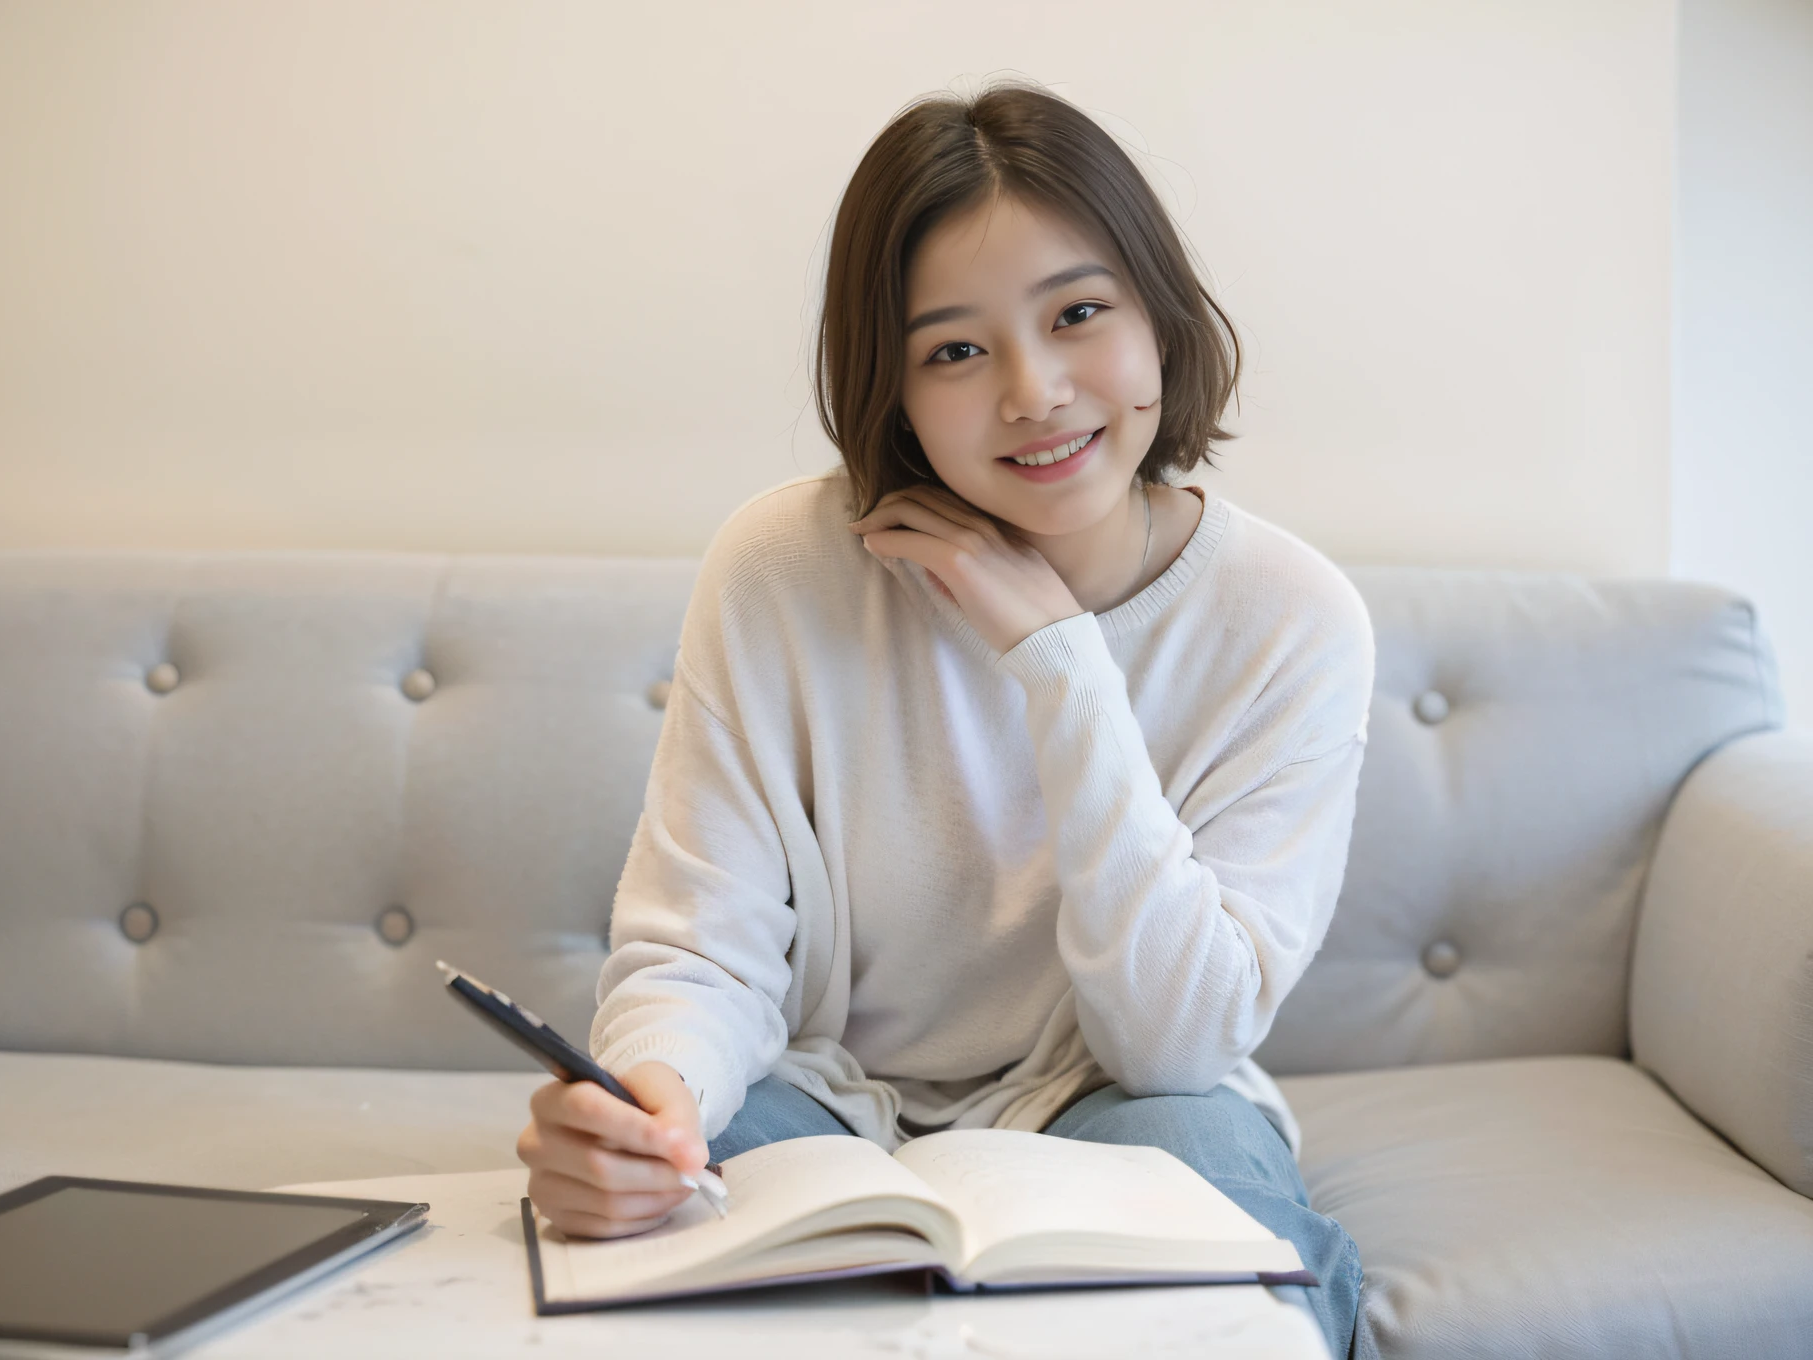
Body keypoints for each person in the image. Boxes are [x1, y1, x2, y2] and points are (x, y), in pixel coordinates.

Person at [515, 81, 1378, 1359]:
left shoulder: (1291, 617)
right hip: (809, 1100)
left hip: (1119, 1099)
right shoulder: (781, 567)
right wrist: (653, 1101)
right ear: (894, 387)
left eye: (1078, 313)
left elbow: (1177, 1038)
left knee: (1235, 1249)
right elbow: (702, 948)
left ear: (1159, 319)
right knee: (645, 1241)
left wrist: (1060, 665)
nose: (1034, 392)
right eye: (955, 350)